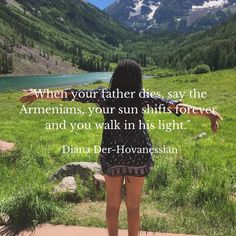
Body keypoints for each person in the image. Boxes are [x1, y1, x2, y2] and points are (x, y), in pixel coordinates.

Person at [20, 59, 222, 236]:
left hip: (112, 155)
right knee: (134, 207)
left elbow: (72, 95)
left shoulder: (104, 96)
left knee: (112, 205)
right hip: (138, 155)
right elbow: (174, 106)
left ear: (115, 77)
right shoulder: (141, 97)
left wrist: (39, 93)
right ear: (137, 79)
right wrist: (207, 113)